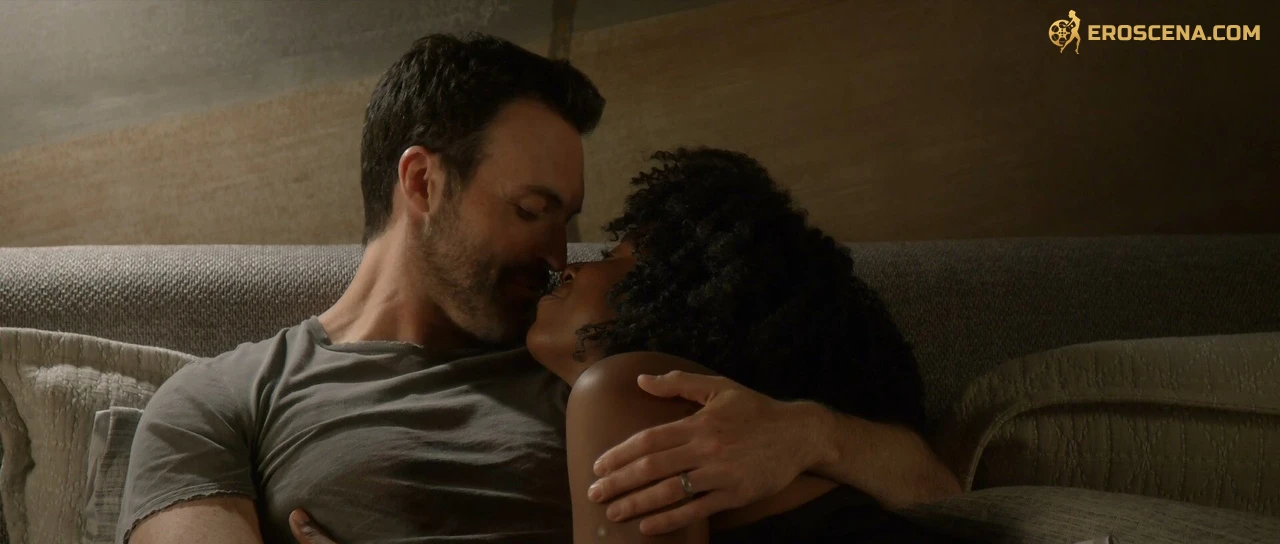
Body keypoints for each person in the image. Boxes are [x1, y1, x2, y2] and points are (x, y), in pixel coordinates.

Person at [119, 34, 958, 544]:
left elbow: (943, 500)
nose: (558, 255)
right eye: (531, 210)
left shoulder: (600, 350)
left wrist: (809, 434)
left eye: (570, 220)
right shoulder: (224, 398)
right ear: (422, 183)